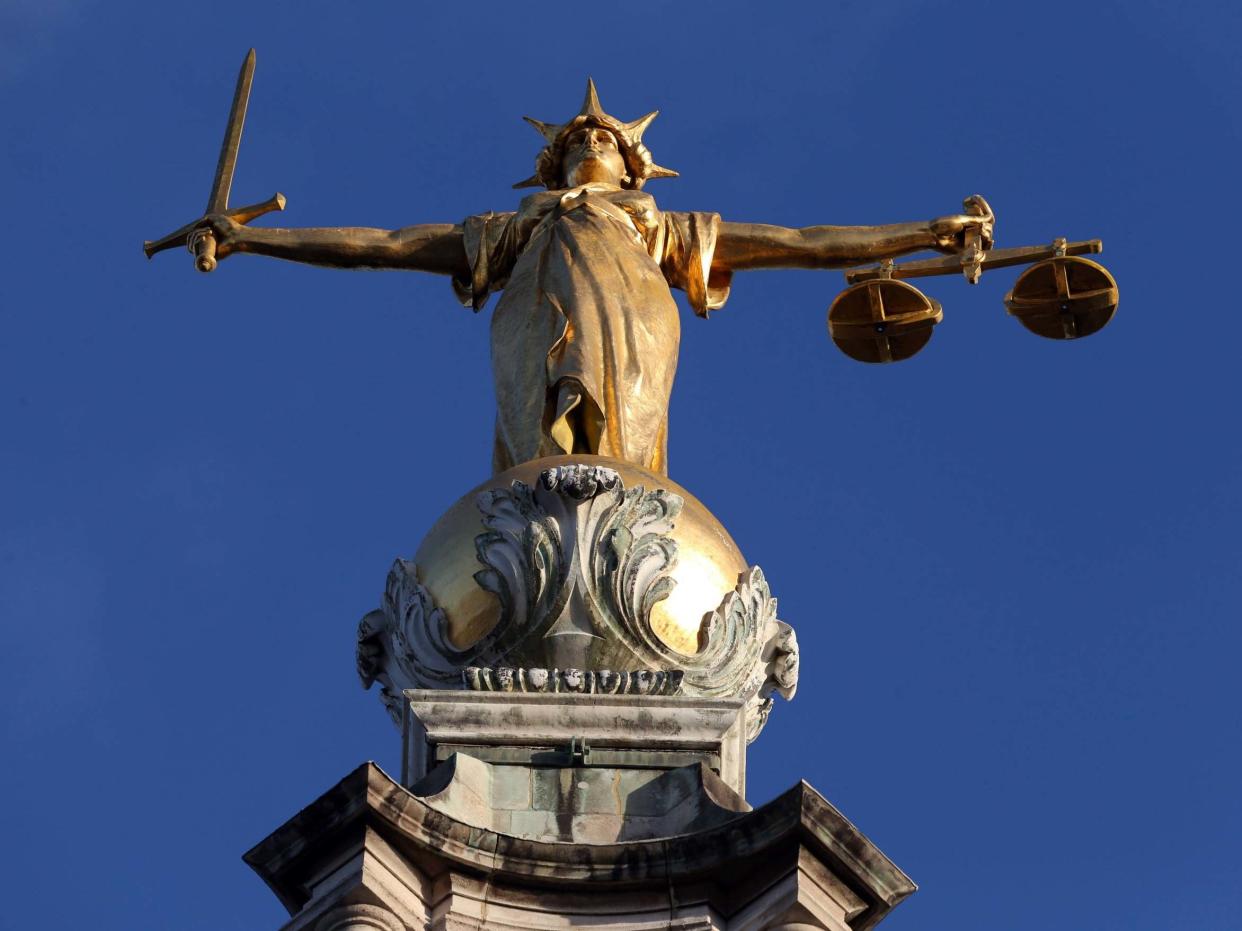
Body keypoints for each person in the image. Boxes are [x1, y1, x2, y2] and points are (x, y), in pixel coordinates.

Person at [198, 81, 992, 475]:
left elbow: (801, 241)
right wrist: (254, 241)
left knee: (617, 461)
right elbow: (387, 244)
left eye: (603, 139)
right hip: (534, 322)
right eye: (577, 139)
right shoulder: (517, 227)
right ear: (550, 166)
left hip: (636, 322)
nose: (589, 142)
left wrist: (926, 230)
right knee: (542, 449)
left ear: (632, 162)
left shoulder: (656, 227)